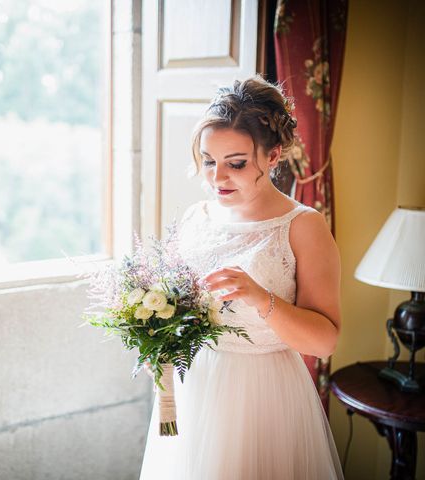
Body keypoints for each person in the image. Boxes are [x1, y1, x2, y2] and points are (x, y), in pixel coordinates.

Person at [139, 75, 344, 480]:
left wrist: (259, 297)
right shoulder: (197, 217)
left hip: (264, 395)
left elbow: (325, 341)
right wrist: (157, 336)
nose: (217, 178)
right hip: (194, 387)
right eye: (209, 161)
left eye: (235, 164)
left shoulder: (303, 226)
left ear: (273, 156)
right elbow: (178, 307)